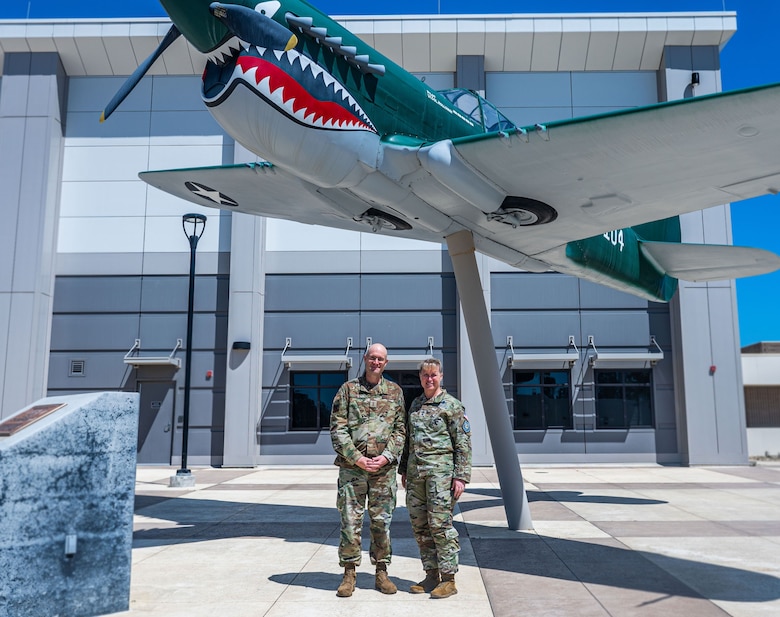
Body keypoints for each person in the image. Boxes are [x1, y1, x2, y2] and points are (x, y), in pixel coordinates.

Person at [329, 343, 406, 598]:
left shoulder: (395, 392)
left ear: (386, 363)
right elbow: (338, 429)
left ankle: (381, 572)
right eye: (372, 358)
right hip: (353, 470)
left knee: (381, 523)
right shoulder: (348, 390)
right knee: (350, 522)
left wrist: (385, 457)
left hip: (383, 471)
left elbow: (401, 430)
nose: (376, 362)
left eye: (380, 359)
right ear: (365, 359)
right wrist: (357, 458)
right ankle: (349, 573)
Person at [399, 357, 472, 599]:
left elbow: (462, 443)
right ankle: (431, 575)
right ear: (420, 378)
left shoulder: (452, 405)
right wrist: (404, 471)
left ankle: (449, 579)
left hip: (441, 476)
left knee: (440, 526)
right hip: (416, 476)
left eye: (433, 375)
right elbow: (409, 441)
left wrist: (460, 476)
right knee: (420, 527)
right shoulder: (416, 405)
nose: (429, 379)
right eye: (425, 375)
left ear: (441, 376)